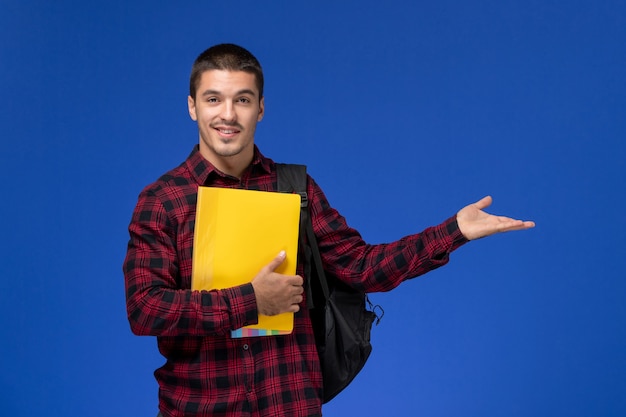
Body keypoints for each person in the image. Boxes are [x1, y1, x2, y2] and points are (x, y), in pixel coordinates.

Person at [123, 43, 535, 417]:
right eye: (214, 99)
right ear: (193, 107)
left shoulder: (296, 189)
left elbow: (362, 267)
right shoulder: (164, 200)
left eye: (242, 100)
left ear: (260, 108)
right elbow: (145, 308)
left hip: (290, 404)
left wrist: (454, 231)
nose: (228, 114)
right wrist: (252, 299)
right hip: (198, 408)